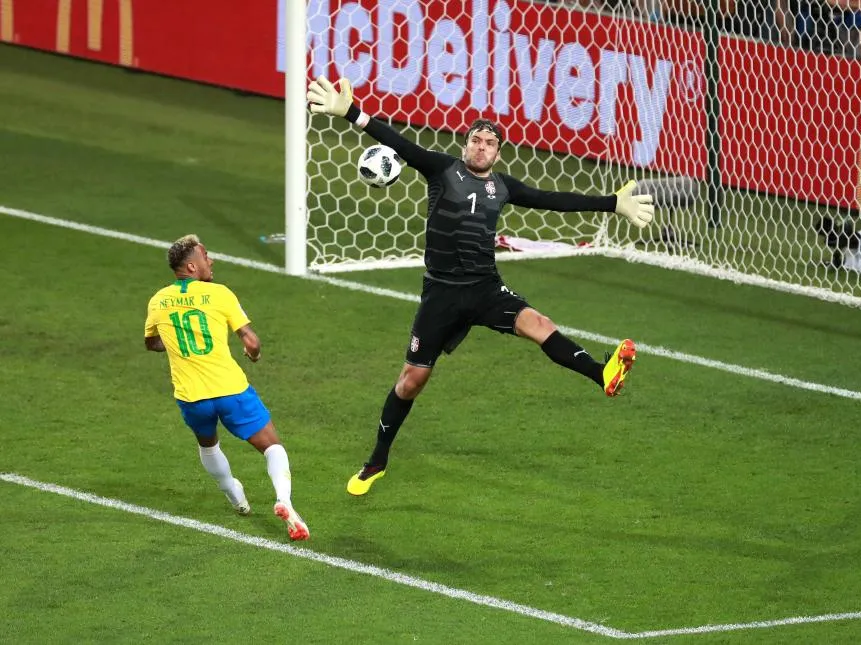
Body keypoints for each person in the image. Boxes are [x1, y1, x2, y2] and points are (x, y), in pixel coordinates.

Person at [306, 76, 655, 496]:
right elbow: (398, 143)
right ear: (465, 144)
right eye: (476, 140)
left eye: (490, 142)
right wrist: (351, 114)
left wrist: (612, 203)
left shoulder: (503, 187)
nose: (482, 146)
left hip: (485, 289)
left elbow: (554, 199)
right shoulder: (441, 170)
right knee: (410, 382)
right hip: (442, 294)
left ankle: (604, 375)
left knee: (539, 324)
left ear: (498, 152)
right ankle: (377, 460)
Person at [143, 234, 309, 540]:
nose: (212, 261)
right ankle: (283, 499)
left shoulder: (158, 300)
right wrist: (254, 355)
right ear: (193, 266)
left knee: (208, 444)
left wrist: (179, 340)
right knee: (272, 446)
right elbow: (252, 341)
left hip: (192, 396)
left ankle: (235, 495)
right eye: (206, 256)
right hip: (230, 389)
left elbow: (152, 343)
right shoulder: (219, 294)